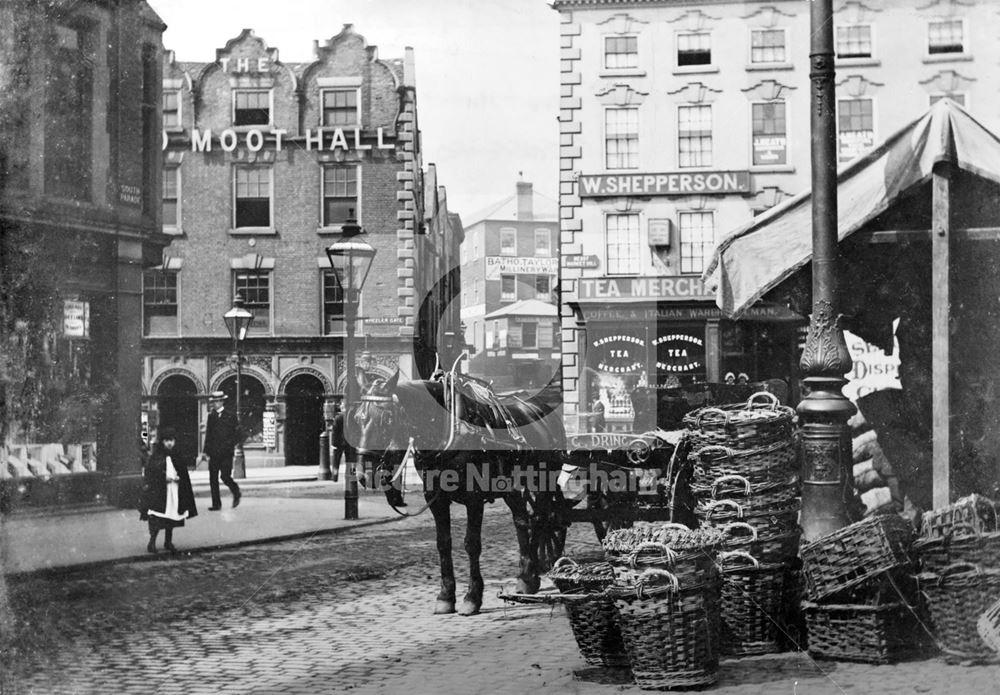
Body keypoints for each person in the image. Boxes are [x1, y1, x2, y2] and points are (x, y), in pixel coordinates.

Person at [139, 427, 197, 554]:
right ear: (162, 442)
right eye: (166, 441)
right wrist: (163, 479)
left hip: (173, 491)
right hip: (160, 492)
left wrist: (178, 478)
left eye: (171, 440)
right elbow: (151, 473)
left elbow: (183, 473)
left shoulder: (177, 456)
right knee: (158, 516)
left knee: (172, 515)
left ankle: (168, 541)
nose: (169, 443)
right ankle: (152, 542)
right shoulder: (156, 456)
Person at [201, 390, 242, 510]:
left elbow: (238, 433)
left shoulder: (230, 415)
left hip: (226, 453)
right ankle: (216, 504)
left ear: (222, 401)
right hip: (213, 452)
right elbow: (208, 434)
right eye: (214, 402)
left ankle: (236, 492)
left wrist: (230, 444)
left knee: (225, 476)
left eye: (218, 401)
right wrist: (205, 452)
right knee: (213, 478)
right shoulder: (211, 416)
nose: (215, 404)